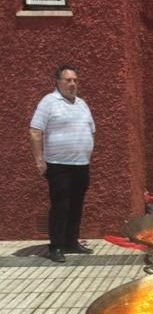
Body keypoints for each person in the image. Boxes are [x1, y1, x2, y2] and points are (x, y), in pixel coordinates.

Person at [29, 65, 95, 263]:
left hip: (81, 164)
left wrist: (86, 150)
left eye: (75, 80)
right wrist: (39, 159)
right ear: (57, 82)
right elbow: (35, 131)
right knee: (61, 206)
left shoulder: (82, 104)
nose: (72, 84)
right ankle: (56, 246)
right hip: (59, 165)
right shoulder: (48, 102)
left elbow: (91, 130)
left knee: (77, 205)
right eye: (68, 80)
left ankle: (71, 242)